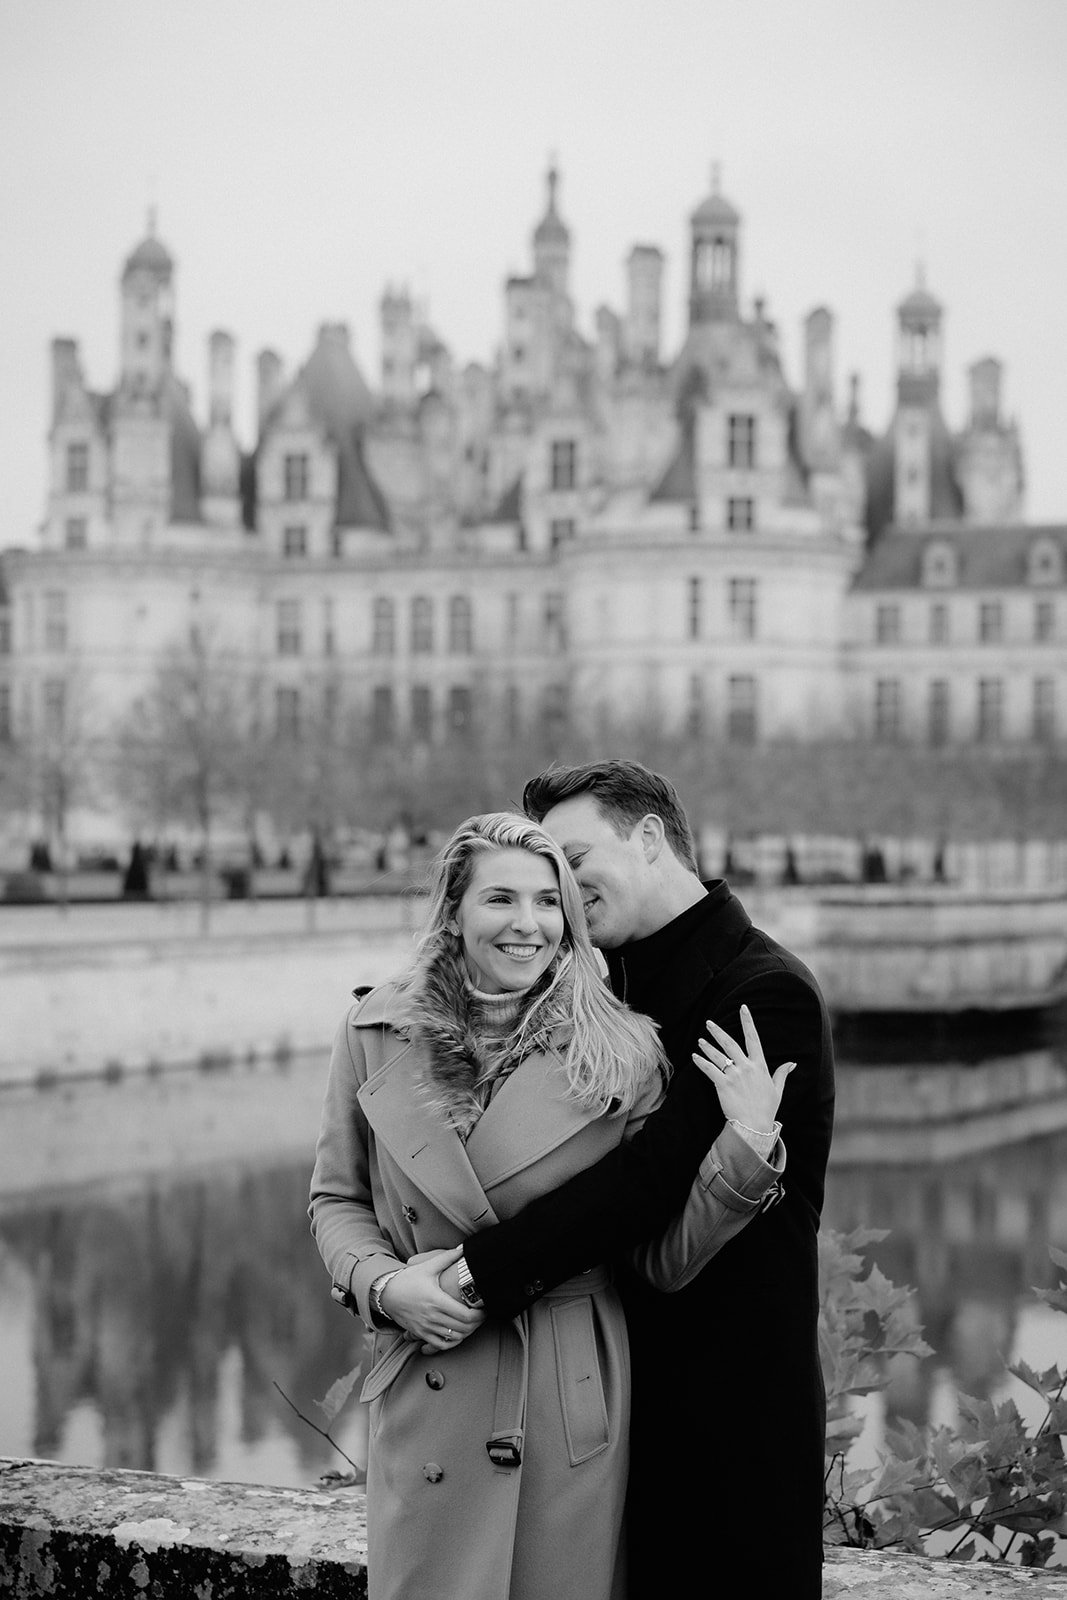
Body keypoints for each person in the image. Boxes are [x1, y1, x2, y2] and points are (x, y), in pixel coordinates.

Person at [309, 811, 792, 1600]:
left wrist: (746, 1143)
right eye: (500, 899)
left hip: (560, 1402)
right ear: (454, 910)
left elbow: (659, 1260)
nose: (526, 924)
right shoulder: (374, 1030)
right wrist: (386, 1286)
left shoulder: (624, 1054)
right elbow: (336, 1198)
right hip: (427, 1377)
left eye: (547, 902)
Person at [439, 764, 836, 1598]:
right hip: (597, 1400)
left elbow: (646, 1182)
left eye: (576, 857)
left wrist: (473, 1273)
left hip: (725, 1418)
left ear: (649, 838)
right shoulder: (592, 986)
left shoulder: (763, 992)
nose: (562, 886)